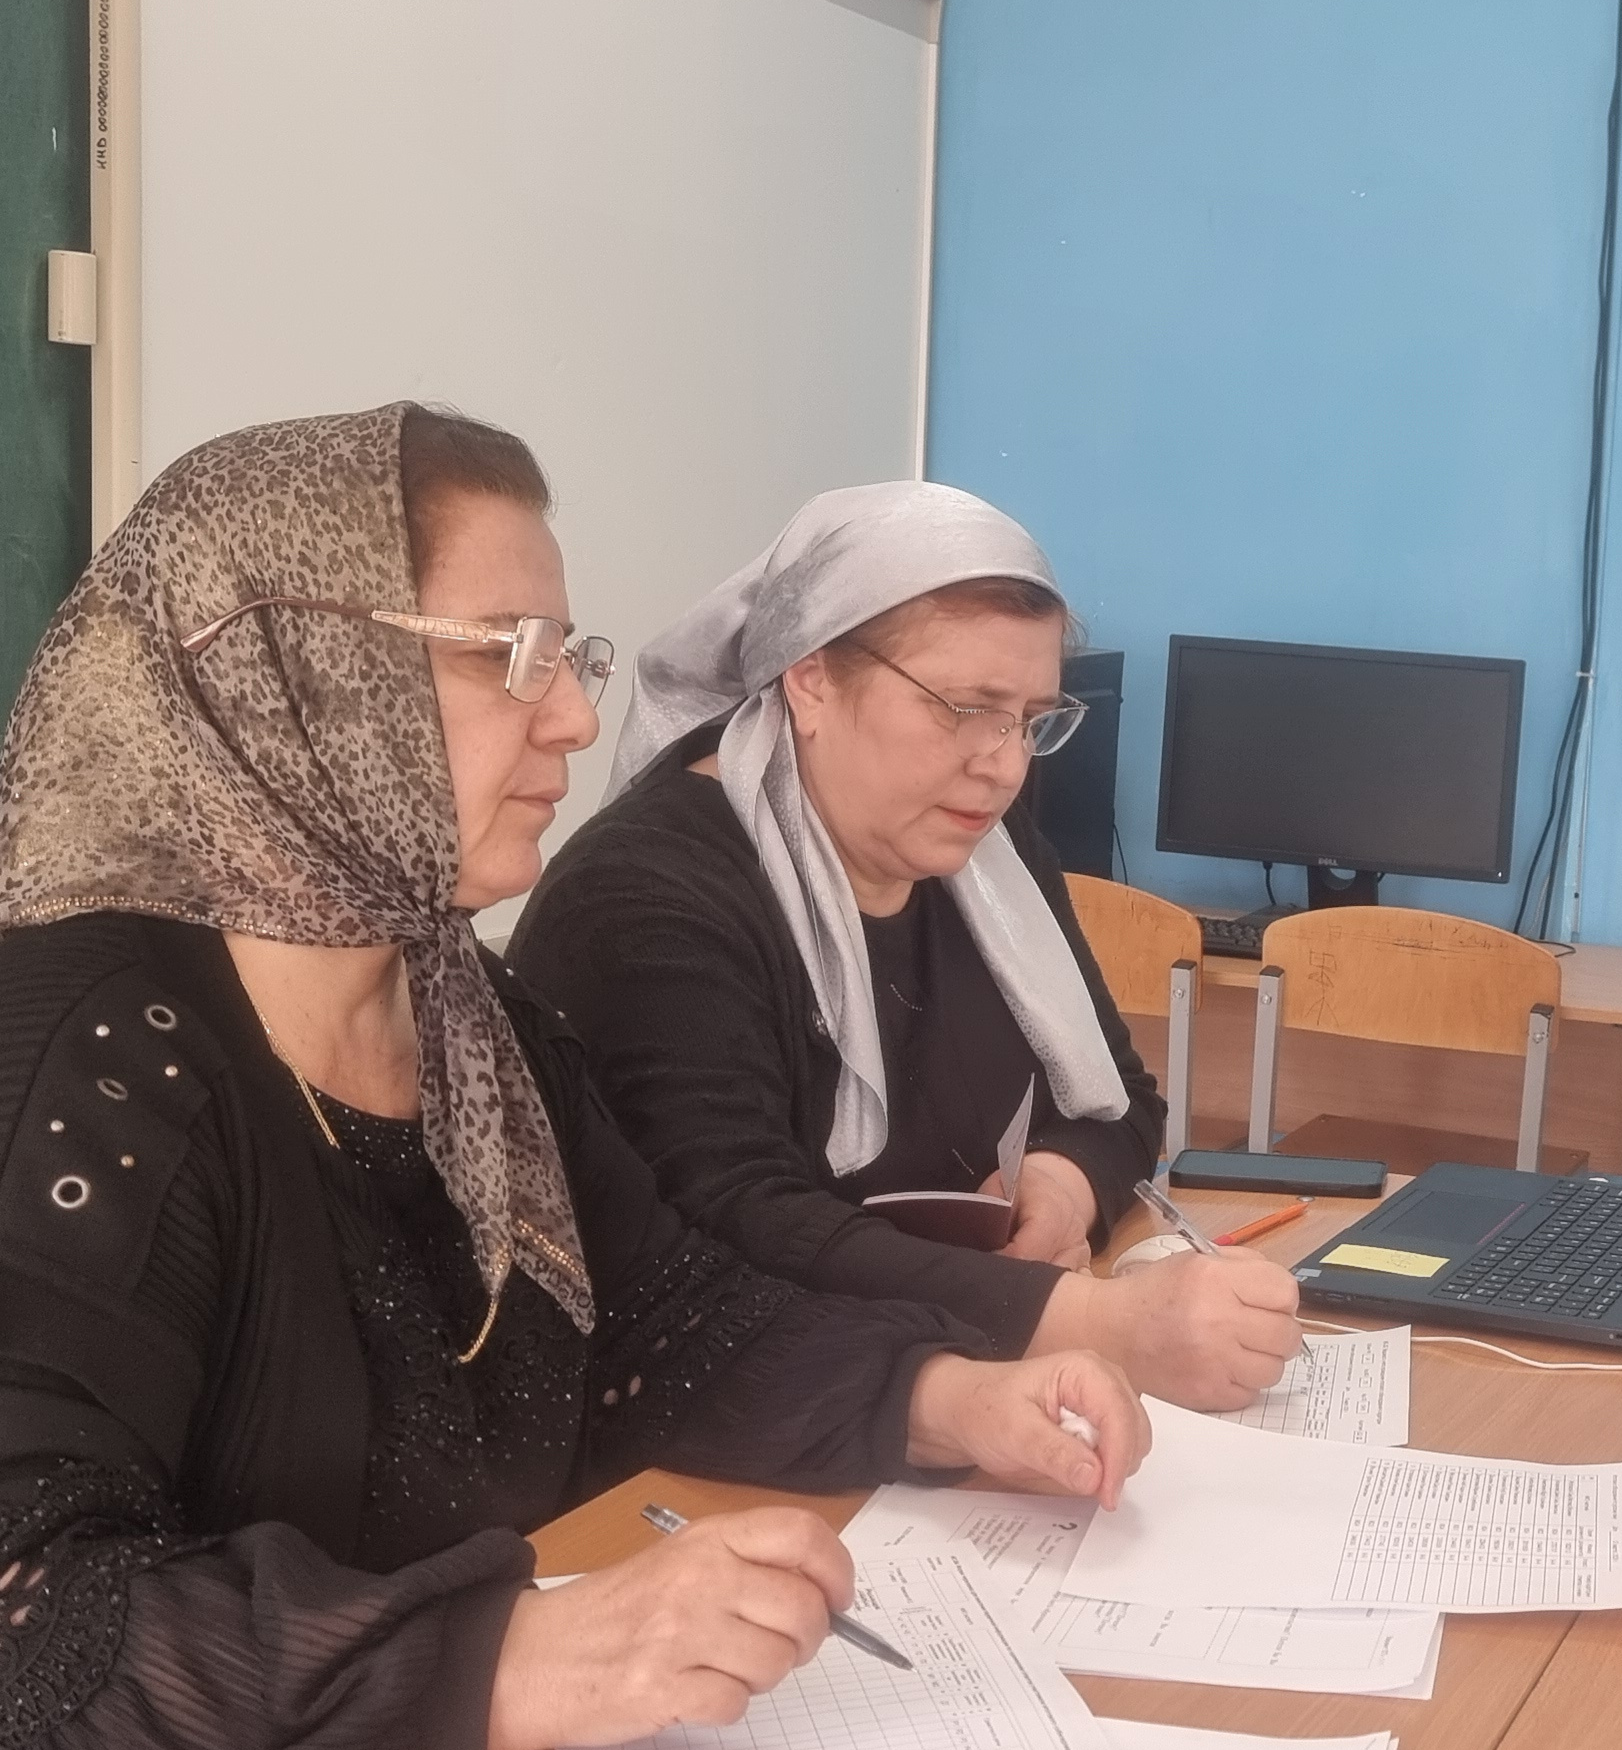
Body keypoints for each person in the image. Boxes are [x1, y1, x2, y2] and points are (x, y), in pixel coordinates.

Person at [0, 404, 1159, 1750]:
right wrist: (515, 1651)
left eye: (571, 653)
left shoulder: (474, 1023)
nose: (571, 716)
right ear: (280, 670)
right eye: (503, 655)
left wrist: (947, 1399)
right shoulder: (87, 1059)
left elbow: (675, 1326)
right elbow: (40, 1638)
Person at [509, 482, 1302, 1414]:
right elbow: (737, 1236)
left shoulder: (988, 856)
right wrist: (1098, 1323)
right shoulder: (644, 898)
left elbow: (1119, 1099)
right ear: (810, 679)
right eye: (965, 707)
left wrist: (1061, 1187)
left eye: (1031, 720)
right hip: (722, 1428)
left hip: (934, 1392)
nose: (1004, 765)